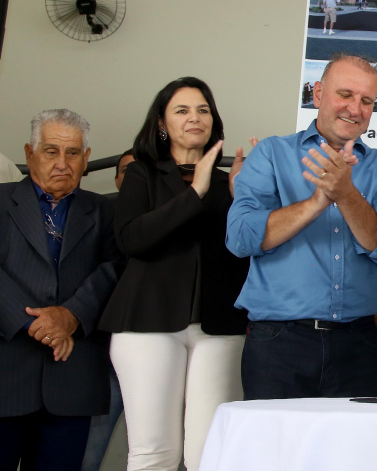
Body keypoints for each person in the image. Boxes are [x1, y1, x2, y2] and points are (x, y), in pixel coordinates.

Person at [227, 53, 377, 400]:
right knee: (275, 454)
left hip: (357, 345)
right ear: (318, 94)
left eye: (367, 101)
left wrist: (345, 193)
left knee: (352, 454)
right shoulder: (270, 154)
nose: (355, 109)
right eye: (345, 95)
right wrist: (316, 202)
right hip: (277, 344)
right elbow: (241, 237)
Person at [98, 77, 251, 471]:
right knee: (154, 454)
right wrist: (194, 193)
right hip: (147, 325)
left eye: (203, 109)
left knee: (210, 455)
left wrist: (245, 199)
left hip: (218, 327)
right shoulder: (141, 174)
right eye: (182, 110)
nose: (194, 118)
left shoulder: (230, 182)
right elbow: (132, 239)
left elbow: (245, 251)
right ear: (163, 123)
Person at [0, 109, 120, 471]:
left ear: (86, 159)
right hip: (6, 373)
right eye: (51, 151)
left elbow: (117, 271)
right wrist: (35, 323)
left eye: (72, 153)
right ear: (29, 153)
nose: (62, 163)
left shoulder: (107, 212)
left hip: (72, 378)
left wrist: (70, 315)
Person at [79, 149, 134, 471]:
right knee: (89, 451)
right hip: (102, 351)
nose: (133, 177)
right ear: (115, 178)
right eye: (126, 170)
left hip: (157, 341)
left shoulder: (171, 216)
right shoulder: (98, 216)